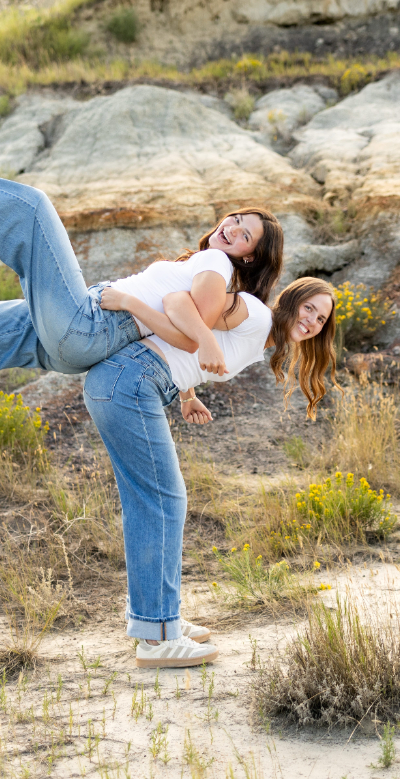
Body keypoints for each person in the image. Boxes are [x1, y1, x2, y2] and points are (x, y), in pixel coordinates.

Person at [0, 133, 283, 488]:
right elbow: (183, 322)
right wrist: (188, 393)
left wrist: (135, 306)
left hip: (92, 324)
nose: (231, 229)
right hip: (81, 335)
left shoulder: (217, 264)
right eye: (236, 218)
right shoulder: (203, 264)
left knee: (32, 208)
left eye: (243, 235)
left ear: (247, 257)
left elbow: (189, 334)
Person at [86, 276, 337, 667]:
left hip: (130, 381)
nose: (312, 321)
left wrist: (186, 392)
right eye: (309, 308)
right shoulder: (254, 314)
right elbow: (178, 302)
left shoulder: (261, 337)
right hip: (131, 380)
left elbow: (182, 339)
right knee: (164, 504)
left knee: (151, 504)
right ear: (291, 299)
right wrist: (200, 341)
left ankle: (158, 621)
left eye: (321, 319)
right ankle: (156, 636)